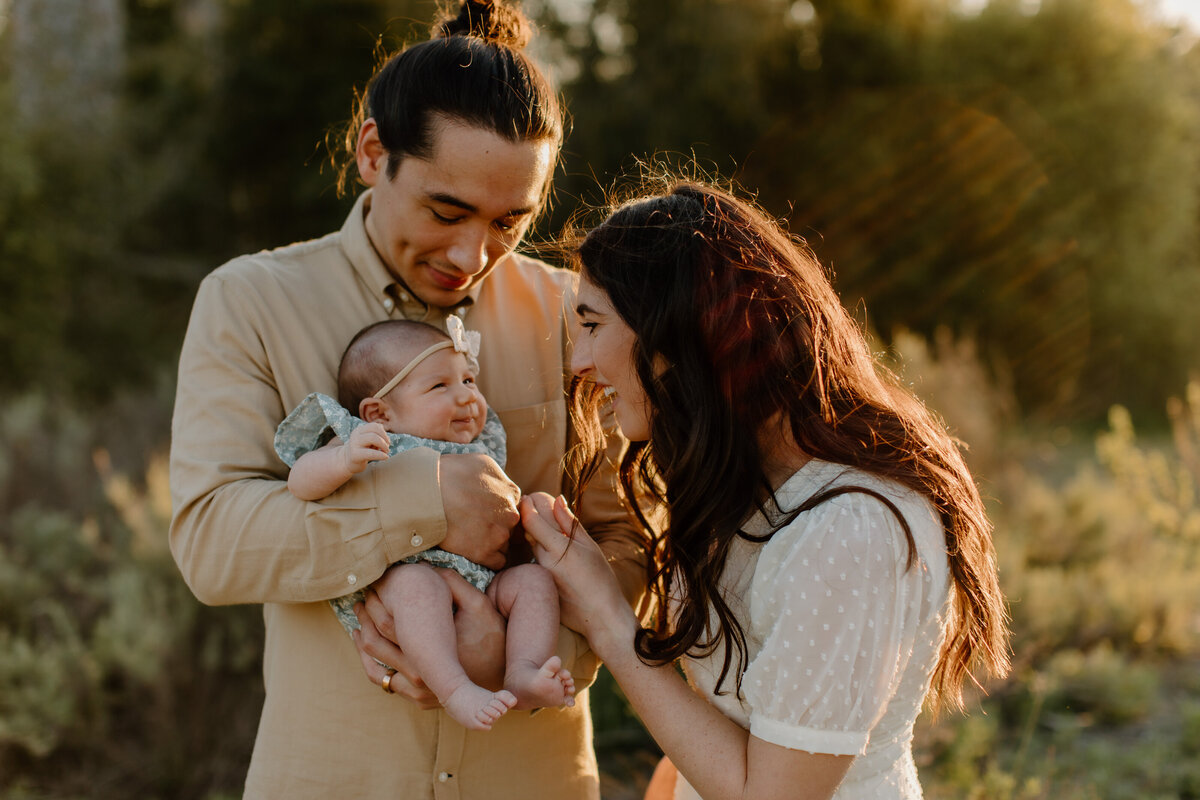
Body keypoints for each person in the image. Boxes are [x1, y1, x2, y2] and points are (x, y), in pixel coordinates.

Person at [167, 1, 648, 797]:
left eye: (510, 223)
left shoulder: (575, 316)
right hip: (331, 774)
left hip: (533, 776)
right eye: (446, 210)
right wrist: (424, 503)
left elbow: (630, 540)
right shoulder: (249, 301)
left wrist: (535, 647)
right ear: (370, 152)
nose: (471, 254)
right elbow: (213, 541)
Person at [521, 180, 1011, 800]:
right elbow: (732, 719)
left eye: (592, 324)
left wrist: (609, 622)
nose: (579, 362)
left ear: (678, 332)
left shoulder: (849, 529)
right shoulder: (746, 482)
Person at [275, 316, 575, 730]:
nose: (467, 397)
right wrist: (343, 460)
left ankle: (522, 671)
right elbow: (300, 481)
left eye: (469, 381)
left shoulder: (478, 447)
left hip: (483, 585)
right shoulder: (368, 441)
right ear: (379, 413)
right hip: (405, 587)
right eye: (440, 386)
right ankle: (454, 689)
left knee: (533, 583)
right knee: (418, 585)